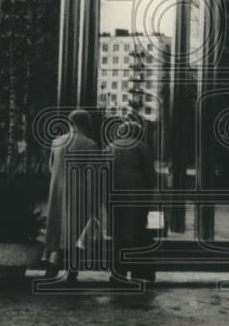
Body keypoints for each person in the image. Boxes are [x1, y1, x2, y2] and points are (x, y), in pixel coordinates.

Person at [44, 109, 97, 282]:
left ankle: (52, 267)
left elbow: (51, 167)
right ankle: (72, 273)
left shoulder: (56, 141)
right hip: (78, 193)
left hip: (57, 191)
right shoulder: (90, 144)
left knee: (57, 228)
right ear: (87, 124)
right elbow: (91, 175)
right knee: (77, 231)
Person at [107, 116, 157, 283]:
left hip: (115, 196)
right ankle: (140, 273)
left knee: (118, 235)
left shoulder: (110, 148)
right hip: (138, 196)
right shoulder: (142, 147)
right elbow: (150, 175)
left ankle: (117, 273)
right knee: (141, 234)